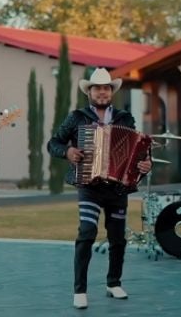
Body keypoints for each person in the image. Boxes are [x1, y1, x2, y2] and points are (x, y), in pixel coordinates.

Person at [48, 68, 152, 310]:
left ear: (111, 92)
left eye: (106, 88)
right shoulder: (77, 117)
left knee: (118, 238)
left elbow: (140, 151)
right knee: (86, 232)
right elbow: (53, 143)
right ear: (89, 92)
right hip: (89, 185)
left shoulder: (124, 119)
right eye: (98, 88)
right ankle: (80, 290)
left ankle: (113, 283)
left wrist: (146, 164)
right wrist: (67, 151)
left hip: (117, 188)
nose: (102, 92)